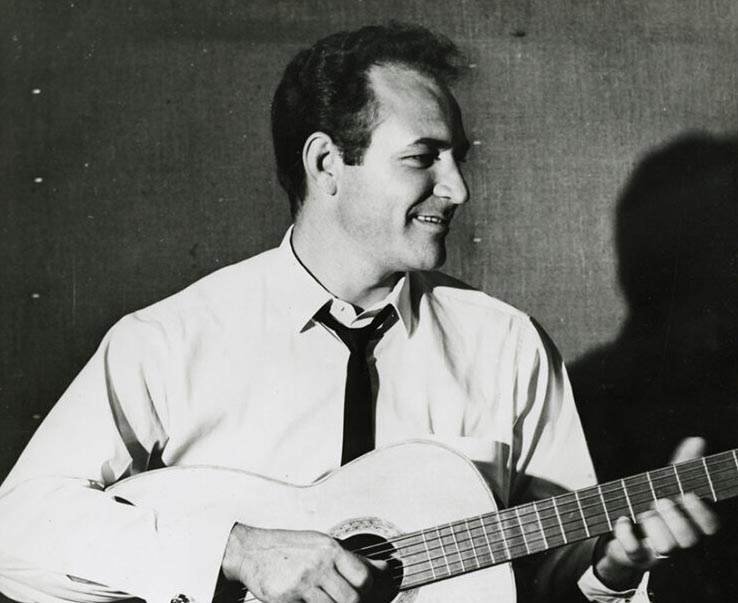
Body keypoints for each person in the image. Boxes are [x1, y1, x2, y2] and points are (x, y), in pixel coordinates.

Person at [0, 23, 718, 603]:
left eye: (459, 157)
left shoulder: (509, 346)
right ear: (325, 165)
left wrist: (614, 565)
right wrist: (236, 548)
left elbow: (548, 576)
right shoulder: (168, 341)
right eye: (424, 158)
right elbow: (14, 531)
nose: (459, 188)